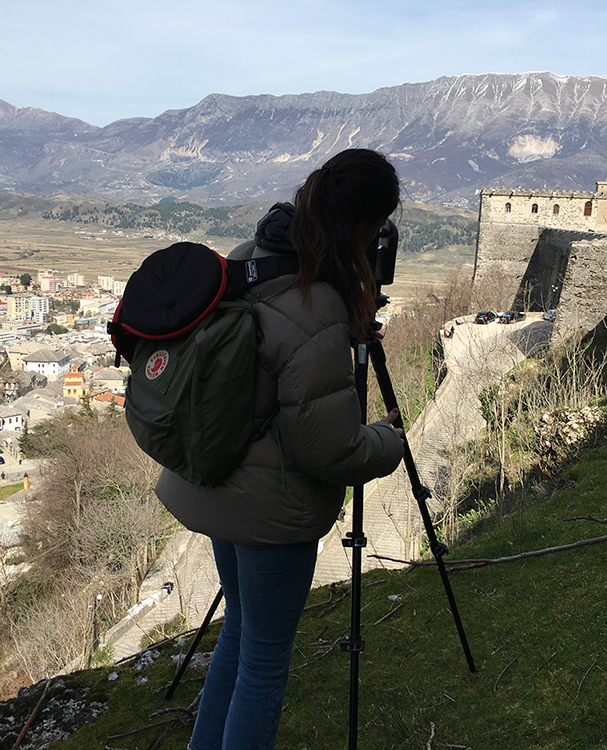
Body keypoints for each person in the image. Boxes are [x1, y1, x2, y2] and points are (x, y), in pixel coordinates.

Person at [155, 148, 406, 750]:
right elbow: (331, 449)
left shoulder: (249, 259)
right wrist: (389, 441)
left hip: (216, 480)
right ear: (367, 228)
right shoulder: (319, 302)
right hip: (273, 510)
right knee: (265, 662)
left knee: (240, 635)